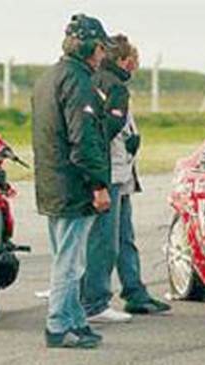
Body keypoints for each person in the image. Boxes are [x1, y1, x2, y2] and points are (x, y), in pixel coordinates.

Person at [32, 13, 118, 349]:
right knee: (71, 262)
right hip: (73, 185)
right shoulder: (78, 81)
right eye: (101, 49)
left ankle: (75, 320)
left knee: (65, 256)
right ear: (91, 48)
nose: (103, 56)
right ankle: (57, 325)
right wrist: (98, 184)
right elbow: (83, 140)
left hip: (52, 181)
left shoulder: (48, 79)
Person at [81, 34, 171, 324]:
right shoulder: (114, 86)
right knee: (106, 239)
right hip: (112, 172)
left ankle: (134, 290)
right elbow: (105, 128)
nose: (136, 65)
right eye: (134, 60)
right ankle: (95, 300)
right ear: (124, 61)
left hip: (119, 171)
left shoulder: (95, 80)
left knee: (122, 235)